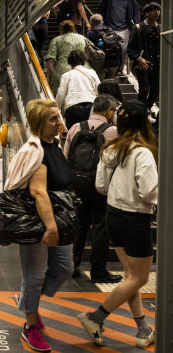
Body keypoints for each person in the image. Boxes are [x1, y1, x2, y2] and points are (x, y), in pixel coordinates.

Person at [78, 100, 157, 349]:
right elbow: (150, 192)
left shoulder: (110, 149)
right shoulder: (142, 152)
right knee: (140, 278)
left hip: (114, 215)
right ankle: (95, 317)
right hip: (135, 219)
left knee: (130, 277)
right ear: (144, 123)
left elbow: (101, 186)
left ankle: (143, 330)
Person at [4, 99, 74, 353]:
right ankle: (30, 326)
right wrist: (51, 227)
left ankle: (27, 301)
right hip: (38, 224)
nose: (59, 123)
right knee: (34, 276)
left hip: (59, 220)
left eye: (59, 117)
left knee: (64, 268)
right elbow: (38, 192)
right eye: (53, 119)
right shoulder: (36, 151)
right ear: (38, 123)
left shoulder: (54, 146)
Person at [63, 95, 122, 283]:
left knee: (80, 224)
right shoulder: (113, 131)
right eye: (113, 110)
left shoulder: (75, 128)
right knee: (100, 226)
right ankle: (98, 271)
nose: (114, 113)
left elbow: (66, 157)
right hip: (101, 186)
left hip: (78, 184)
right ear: (107, 111)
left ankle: (73, 266)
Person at [46, 20, 94, 95]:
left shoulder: (56, 40)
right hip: (84, 68)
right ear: (73, 28)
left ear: (61, 29)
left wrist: (50, 79)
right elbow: (93, 51)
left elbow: (50, 60)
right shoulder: (82, 38)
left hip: (62, 71)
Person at [55, 49, 100, 129]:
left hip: (73, 107)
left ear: (70, 62)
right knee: (90, 133)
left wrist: (56, 109)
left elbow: (61, 95)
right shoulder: (92, 72)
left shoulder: (67, 75)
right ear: (84, 60)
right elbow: (98, 90)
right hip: (91, 106)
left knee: (74, 134)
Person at [99, 0, 141, 75]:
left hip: (125, 27)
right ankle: (110, 68)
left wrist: (137, 23)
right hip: (110, 27)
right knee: (111, 49)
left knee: (123, 49)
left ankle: (120, 70)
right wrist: (101, 20)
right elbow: (100, 9)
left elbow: (136, 11)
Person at [128, 2, 161, 109]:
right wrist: (139, 59)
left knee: (155, 92)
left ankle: (144, 110)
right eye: (153, 10)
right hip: (143, 65)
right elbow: (130, 49)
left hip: (156, 65)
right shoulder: (138, 28)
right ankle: (140, 112)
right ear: (146, 13)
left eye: (158, 10)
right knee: (144, 91)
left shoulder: (160, 28)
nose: (157, 12)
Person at [85, 14, 123, 81]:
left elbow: (87, 51)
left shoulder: (90, 34)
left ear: (90, 23)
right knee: (110, 86)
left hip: (100, 66)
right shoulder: (112, 31)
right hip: (114, 64)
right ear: (102, 22)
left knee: (100, 87)